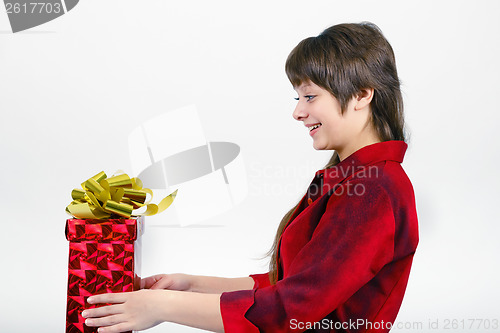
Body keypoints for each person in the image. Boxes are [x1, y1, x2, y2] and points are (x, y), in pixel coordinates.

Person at [82, 21, 419, 333]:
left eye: (310, 96)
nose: (298, 112)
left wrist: (163, 307)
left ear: (362, 95)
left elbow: (292, 309)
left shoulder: (373, 190)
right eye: (298, 98)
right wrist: (189, 284)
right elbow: (286, 286)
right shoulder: (352, 179)